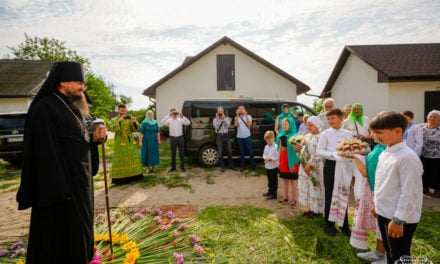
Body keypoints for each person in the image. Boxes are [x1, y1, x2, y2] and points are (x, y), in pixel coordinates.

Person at [16, 62, 107, 263]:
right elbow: (43, 150)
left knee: (81, 229)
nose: (83, 87)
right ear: (63, 81)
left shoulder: (72, 105)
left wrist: (95, 138)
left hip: (80, 183)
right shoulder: (45, 107)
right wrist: (59, 188)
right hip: (61, 188)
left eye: (83, 83)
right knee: (62, 237)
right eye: (79, 82)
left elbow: (78, 139)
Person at [370, 111, 423, 264]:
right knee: (390, 251)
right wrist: (376, 203)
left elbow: (410, 192)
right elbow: (381, 182)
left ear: (397, 131)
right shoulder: (385, 153)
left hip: (400, 218)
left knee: (400, 255)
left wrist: (399, 220)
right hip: (384, 212)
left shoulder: (408, 158)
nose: (375, 136)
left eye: (379, 132)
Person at [343, 139, 386, 263]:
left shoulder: (380, 151)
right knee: (379, 225)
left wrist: (356, 157)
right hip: (374, 189)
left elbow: (365, 172)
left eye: (374, 132)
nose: (371, 135)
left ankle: (384, 255)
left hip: (375, 191)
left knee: (381, 224)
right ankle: (379, 252)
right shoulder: (379, 146)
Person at [316, 108, 353, 236]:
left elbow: (352, 149)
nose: (330, 121)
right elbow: (319, 151)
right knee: (330, 194)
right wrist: (333, 154)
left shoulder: (348, 134)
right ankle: (329, 225)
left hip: (344, 167)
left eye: (333, 118)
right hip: (331, 166)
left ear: (341, 118)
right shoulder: (325, 134)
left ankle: (344, 225)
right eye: (328, 119)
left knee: (343, 194)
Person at [296, 116, 325, 218]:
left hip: (315, 168)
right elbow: (303, 153)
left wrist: (310, 164)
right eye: (307, 124)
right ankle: (308, 208)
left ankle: (317, 210)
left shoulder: (321, 137)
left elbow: (319, 153)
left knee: (315, 186)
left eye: (311, 125)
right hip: (305, 167)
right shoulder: (306, 137)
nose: (308, 127)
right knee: (307, 187)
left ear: (317, 125)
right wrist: (298, 150)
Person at [108, 103, 143, 183]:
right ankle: (120, 179)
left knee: (133, 157)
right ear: (118, 110)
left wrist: (134, 122)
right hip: (120, 141)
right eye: (121, 110)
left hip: (130, 141)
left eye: (124, 110)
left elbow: (136, 129)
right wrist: (119, 122)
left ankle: (136, 176)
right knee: (121, 158)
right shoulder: (114, 119)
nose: (123, 112)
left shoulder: (130, 118)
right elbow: (111, 128)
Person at [276, 118, 300, 208]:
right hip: (283, 159)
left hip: (292, 160)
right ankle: (285, 197)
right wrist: (279, 160)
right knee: (285, 180)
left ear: (291, 124)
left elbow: (296, 152)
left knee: (293, 181)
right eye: (283, 124)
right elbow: (280, 148)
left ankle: (294, 200)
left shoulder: (295, 136)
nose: (284, 126)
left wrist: (293, 163)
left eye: (286, 124)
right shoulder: (282, 135)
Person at [160, 108, 191, 172]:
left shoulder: (180, 120)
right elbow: (162, 123)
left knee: (181, 153)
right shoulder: (169, 120)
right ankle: (173, 167)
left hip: (180, 138)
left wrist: (183, 116)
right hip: (172, 138)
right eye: (173, 113)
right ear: (171, 113)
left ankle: (182, 167)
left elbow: (188, 122)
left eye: (175, 113)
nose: (174, 114)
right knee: (173, 153)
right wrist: (168, 115)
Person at [420, 109, 440, 196]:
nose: (432, 118)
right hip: (423, 154)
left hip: (437, 156)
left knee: (437, 173)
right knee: (424, 172)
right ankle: (425, 188)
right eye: (430, 116)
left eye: (435, 117)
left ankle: (437, 190)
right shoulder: (420, 127)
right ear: (427, 117)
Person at [234, 105, 256, 171]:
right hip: (239, 137)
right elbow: (235, 125)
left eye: (242, 109)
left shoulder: (249, 116)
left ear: (245, 109)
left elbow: (249, 124)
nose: (241, 110)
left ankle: (253, 166)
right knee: (241, 152)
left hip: (247, 136)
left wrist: (246, 115)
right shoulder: (236, 117)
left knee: (250, 152)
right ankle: (243, 166)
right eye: (240, 109)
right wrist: (237, 115)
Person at [213, 106, 235, 172]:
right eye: (219, 111)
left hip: (226, 135)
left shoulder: (227, 118)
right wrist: (217, 119)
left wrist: (224, 119)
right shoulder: (215, 119)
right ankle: (222, 166)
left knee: (229, 150)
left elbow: (229, 126)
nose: (220, 112)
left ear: (223, 111)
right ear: (217, 112)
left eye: (221, 111)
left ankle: (231, 165)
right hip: (219, 135)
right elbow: (215, 128)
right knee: (220, 151)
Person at [262, 131, 278, 200]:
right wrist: (265, 158)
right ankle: (269, 191)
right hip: (267, 166)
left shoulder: (276, 147)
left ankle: (273, 194)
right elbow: (264, 154)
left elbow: (277, 157)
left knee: (273, 181)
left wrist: (271, 159)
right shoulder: (266, 146)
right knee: (269, 180)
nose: (267, 141)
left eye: (269, 140)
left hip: (273, 167)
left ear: (273, 139)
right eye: (266, 140)